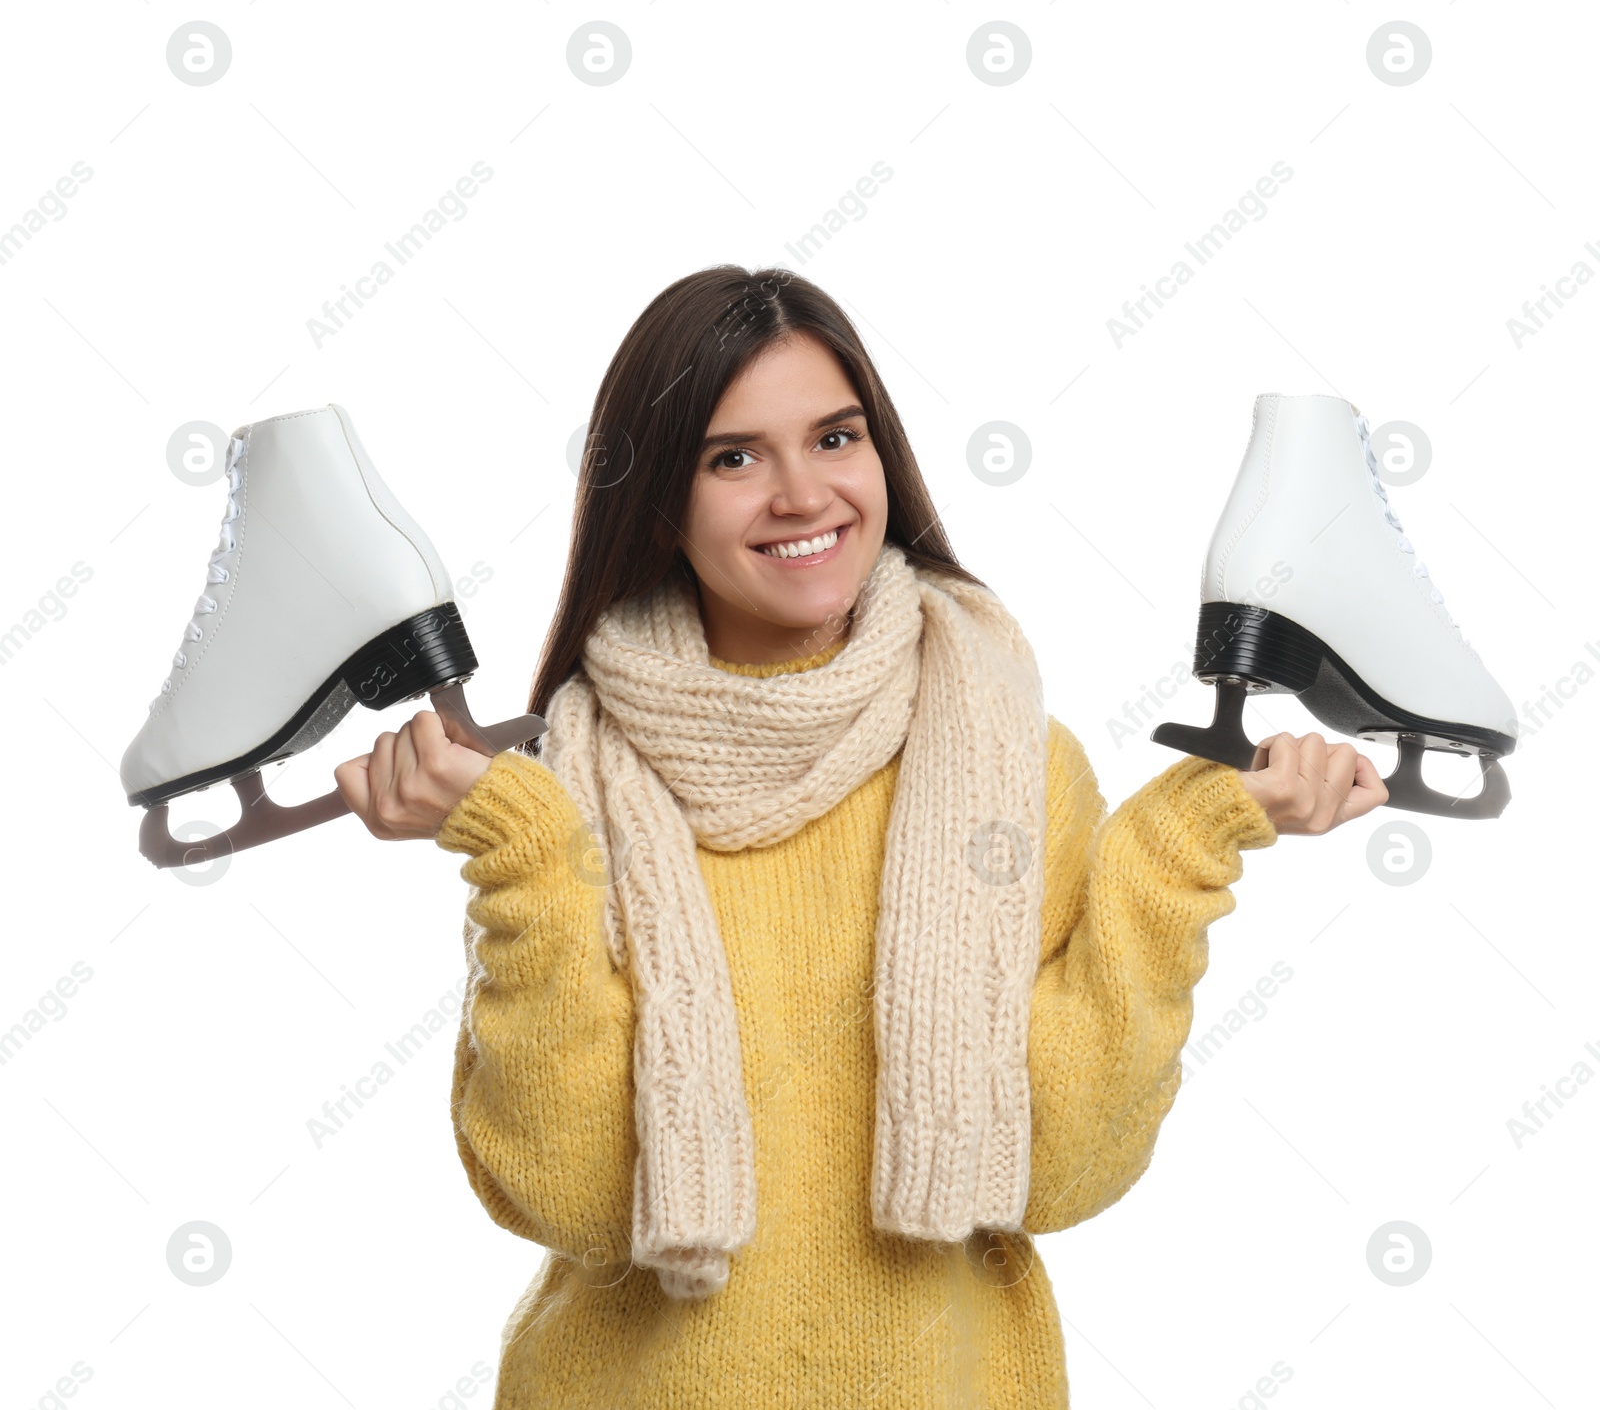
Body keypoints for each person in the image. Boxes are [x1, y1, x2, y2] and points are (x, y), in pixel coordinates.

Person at [334, 266, 1388, 1409]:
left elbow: (1064, 1164)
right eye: (731, 457)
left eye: (834, 437)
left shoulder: (1011, 762)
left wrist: (1189, 835)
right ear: (657, 504)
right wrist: (519, 852)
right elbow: (572, 1192)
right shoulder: (562, 786)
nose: (802, 494)